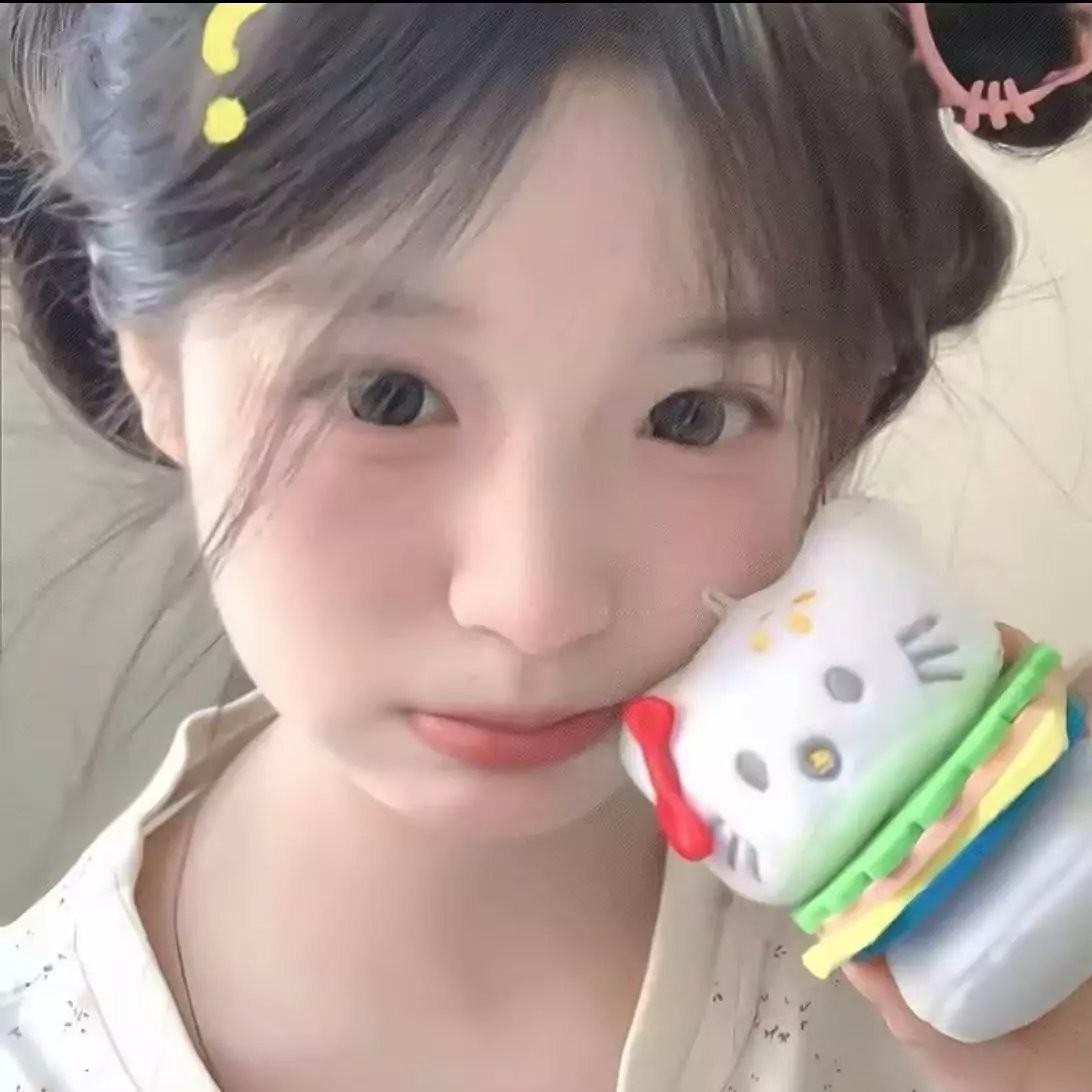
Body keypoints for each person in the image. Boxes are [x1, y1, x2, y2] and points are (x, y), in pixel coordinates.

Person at [1, 4, 1090, 1091]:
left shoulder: (999, 999)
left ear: (843, 414)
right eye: (388, 396)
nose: (537, 605)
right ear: (153, 363)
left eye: (693, 415)